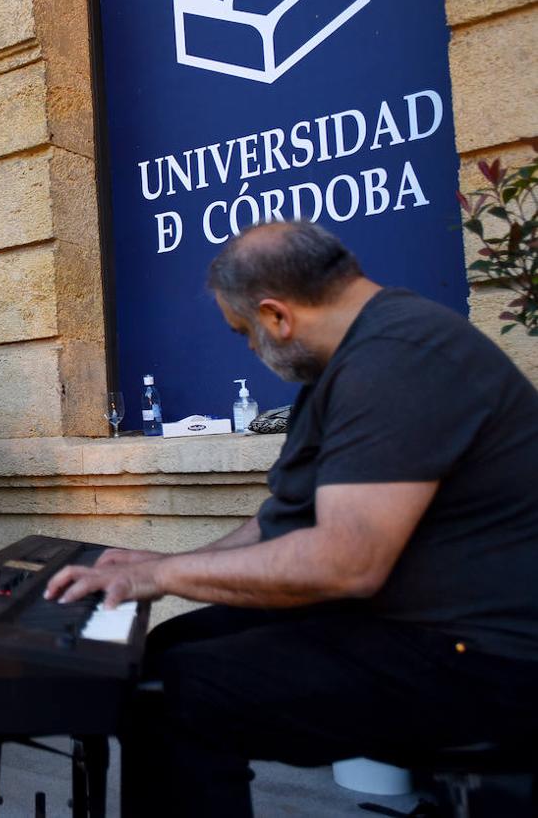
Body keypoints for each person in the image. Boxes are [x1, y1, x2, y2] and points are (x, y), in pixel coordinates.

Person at [45, 222, 538, 817]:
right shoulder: (345, 361)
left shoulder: (398, 358)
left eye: (243, 332)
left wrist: (161, 580)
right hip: (411, 623)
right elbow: (277, 524)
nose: (250, 348)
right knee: (169, 648)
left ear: (276, 316)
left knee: (180, 693)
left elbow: (346, 562)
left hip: (485, 656)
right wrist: (169, 562)